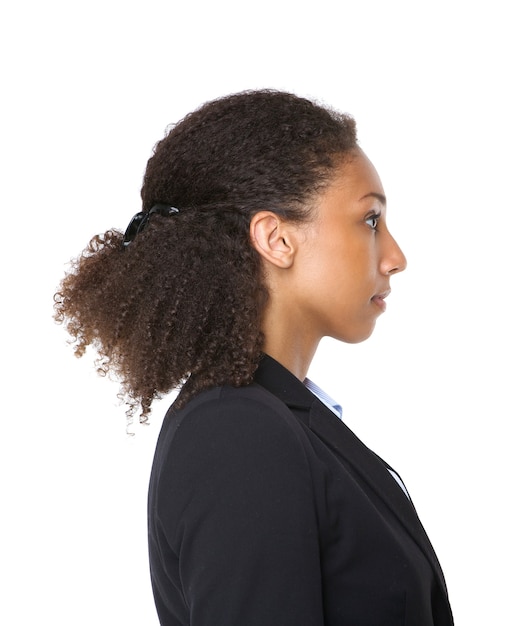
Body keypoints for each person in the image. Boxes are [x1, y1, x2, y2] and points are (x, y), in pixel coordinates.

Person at [54, 90, 454, 625]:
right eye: (370, 220)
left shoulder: (272, 421)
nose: (395, 257)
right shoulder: (238, 433)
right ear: (277, 239)